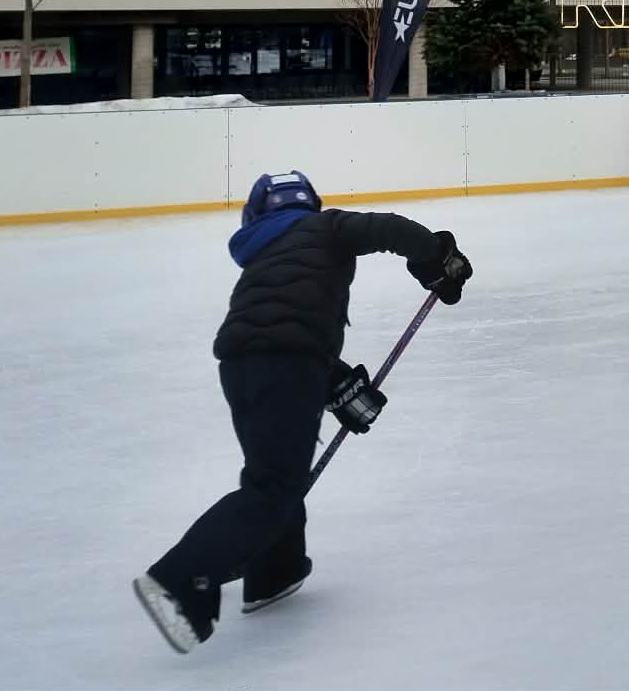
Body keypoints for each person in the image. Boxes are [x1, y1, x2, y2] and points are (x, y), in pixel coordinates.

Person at [134, 171, 472, 655]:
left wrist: (334, 384)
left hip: (241, 367)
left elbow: (283, 319)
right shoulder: (326, 228)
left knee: (274, 475)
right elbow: (388, 229)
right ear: (309, 206)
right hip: (285, 364)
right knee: (272, 488)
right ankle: (182, 577)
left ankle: (276, 571)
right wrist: (436, 256)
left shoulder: (266, 254)